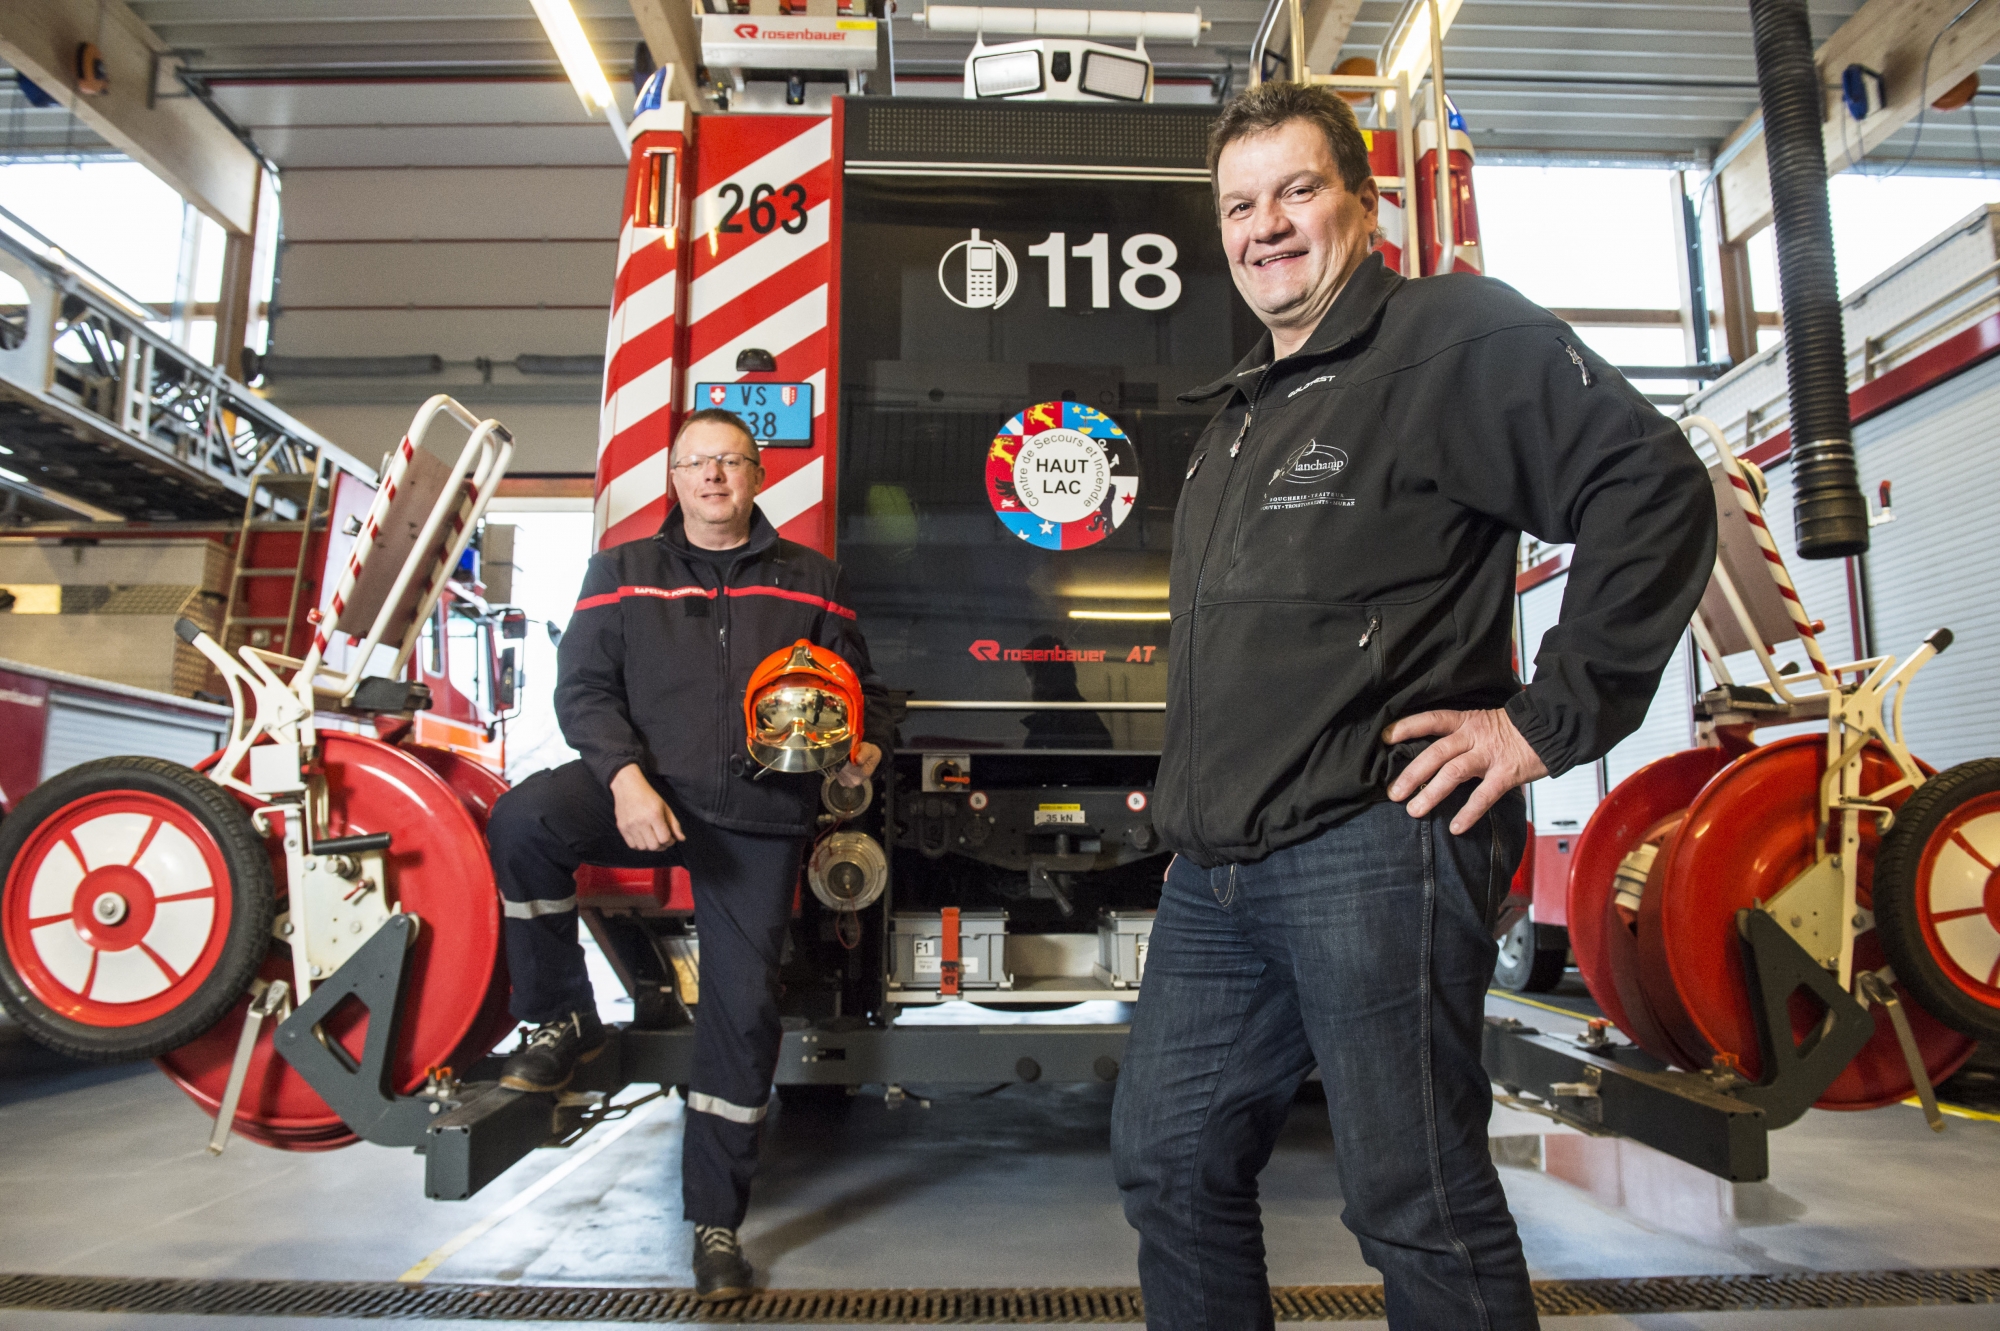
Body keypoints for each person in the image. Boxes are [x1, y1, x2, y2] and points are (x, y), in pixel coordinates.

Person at [1109, 82, 1716, 1330]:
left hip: (1372, 847)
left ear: (1363, 204)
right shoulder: (1240, 412)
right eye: (1238, 205)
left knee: (1411, 1199)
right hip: (1217, 869)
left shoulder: (1449, 339)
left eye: (1295, 190)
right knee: (1168, 1162)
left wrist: (1545, 718)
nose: (1264, 226)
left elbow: (1651, 488)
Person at [486, 408, 890, 1301]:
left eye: (730, 462)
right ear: (673, 477)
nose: (713, 476)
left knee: (742, 1015)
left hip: (755, 814)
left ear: (756, 475)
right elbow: (583, 687)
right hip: (645, 787)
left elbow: (862, 693)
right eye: (696, 463)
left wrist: (862, 746)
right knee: (525, 821)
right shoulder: (622, 571)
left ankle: (716, 1222)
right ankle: (560, 1017)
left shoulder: (811, 581)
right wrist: (625, 779)